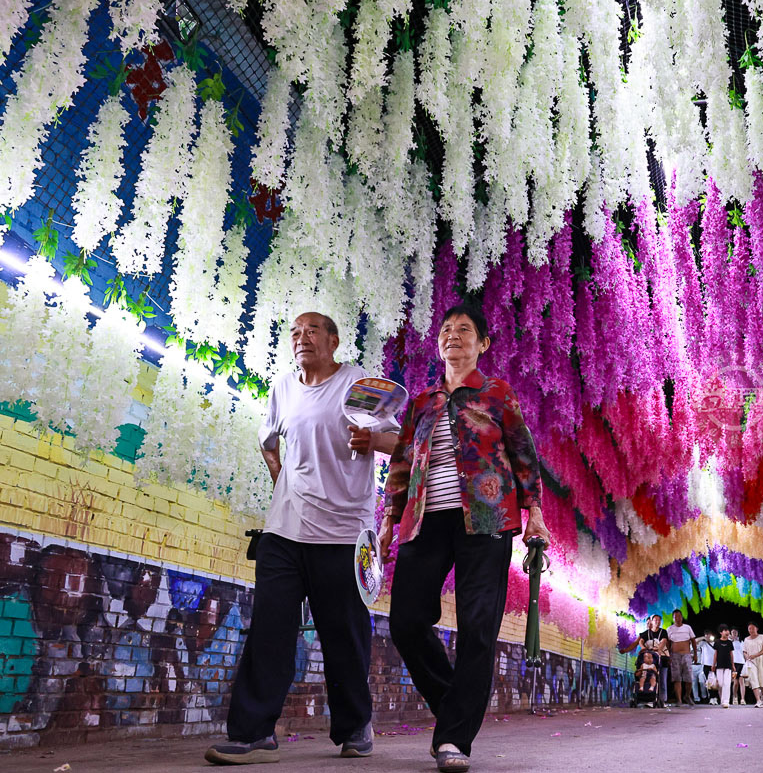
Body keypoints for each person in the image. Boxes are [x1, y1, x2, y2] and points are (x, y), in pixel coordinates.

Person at [366, 303, 552, 773]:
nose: (453, 336)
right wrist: (389, 518)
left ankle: (453, 740)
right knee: (407, 621)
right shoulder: (422, 402)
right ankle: (456, 705)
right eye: (447, 330)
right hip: (425, 520)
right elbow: (403, 463)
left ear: (482, 343)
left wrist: (536, 515)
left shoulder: (497, 394)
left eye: (465, 330)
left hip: (486, 523)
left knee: (477, 628)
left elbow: (525, 457)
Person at [205, 313, 382, 765]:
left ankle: (354, 726)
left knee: (344, 636)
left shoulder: (356, 383)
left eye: (313, 331)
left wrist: (371, 438)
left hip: (343, 532)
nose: (302, 338)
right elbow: (267, 441)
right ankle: (253, 734)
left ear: (334, 341)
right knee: (270, 630)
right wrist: (281, 478)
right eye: (295, 333)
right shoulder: (282, 386)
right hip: (285, 530)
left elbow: (397, 440)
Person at [666, 609, 698, 706]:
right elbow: (667, 643)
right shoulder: (669, 629)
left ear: (682, 617)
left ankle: (687, 696)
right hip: (674, 655)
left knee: (689, 678)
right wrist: (668, 656)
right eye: (675, 617)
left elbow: (693, 641)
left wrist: (695, 654)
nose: (677, 618)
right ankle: (679, 700)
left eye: (679, 616)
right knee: (677, 678)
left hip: (687, 655)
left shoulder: (687, 627)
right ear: (673, 618)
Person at [638, 615, 670, 707]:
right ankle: (650, 699)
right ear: (651, 621)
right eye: (655, 620)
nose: (657, 622)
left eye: (659, 620)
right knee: (650, 678)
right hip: (650, 660)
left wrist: (659, 648)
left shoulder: (663, 632)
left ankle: (663, 700)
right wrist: (643, 647)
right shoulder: (646, 633)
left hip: (662, 658)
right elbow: (641, 640)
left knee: (662, 680)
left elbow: (664, 641)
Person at [741, 621, 763, 708]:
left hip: (761, 660)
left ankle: (762, 695)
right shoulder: (746, 639)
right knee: (754, 680)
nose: (751, 630)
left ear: (756, 628)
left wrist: (755, 655)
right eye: (749, 629)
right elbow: (744, 651)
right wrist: (747, 657)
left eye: (752, 628)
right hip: (751, 662)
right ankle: (758, 700)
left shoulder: (762, 637)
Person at [712, 625, 735, 708]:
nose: (727, 632)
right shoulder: (717, 642)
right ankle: (722, 700)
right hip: (719, 666)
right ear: (721, 632)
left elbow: (731, 654)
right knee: (721, 684)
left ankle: (726, 701)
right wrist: (713, 664)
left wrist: (733, 665)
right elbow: (715, 654)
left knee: (727, 683)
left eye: (727, 630)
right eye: (725, 630)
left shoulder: (730, 642)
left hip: (728, 666)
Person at [698, 630, 716, 704]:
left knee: (715, 682)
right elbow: (695, 641)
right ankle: (711, 697)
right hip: (706, 665)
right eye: (707, 635)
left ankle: (715, 697)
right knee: (708, 683)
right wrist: (703, 638)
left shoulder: (715, 643)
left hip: (715, 665)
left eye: (710, 635)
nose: (709, 636)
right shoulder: (703, 643)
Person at [731, 628, 747, 705]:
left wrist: (747, 661)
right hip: (734, 663)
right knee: (735, 682)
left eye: (736, 632)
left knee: (742, 681)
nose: (734, 633)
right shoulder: (729, 641)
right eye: (733, 632)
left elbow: (744, 652)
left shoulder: (741, 642)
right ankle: (735, 697)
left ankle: (743, 699)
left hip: (742, 663)